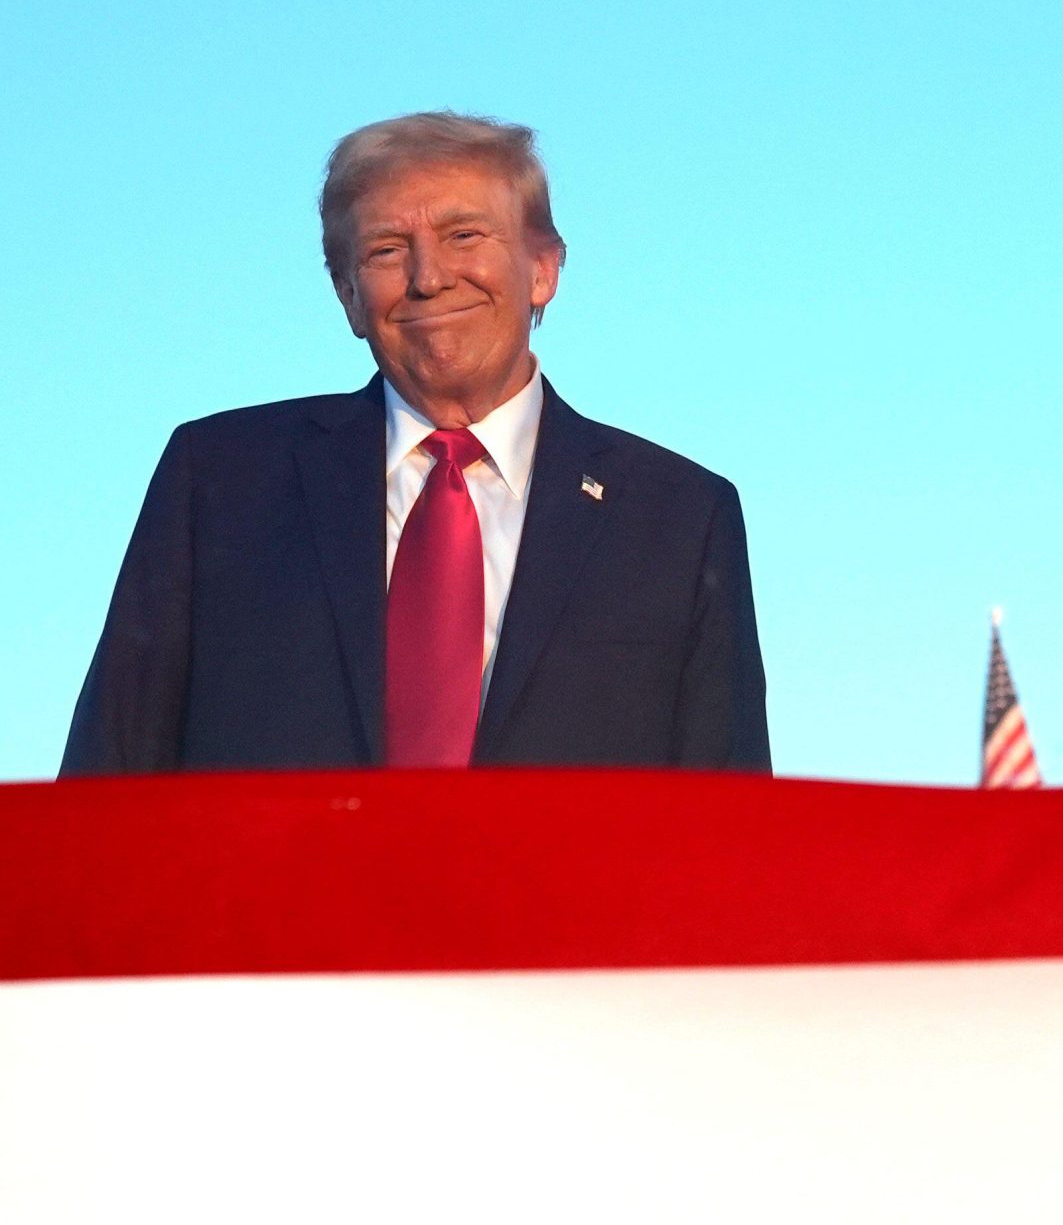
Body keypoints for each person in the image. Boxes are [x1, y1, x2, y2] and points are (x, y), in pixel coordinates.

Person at [62, 113, 771, 774]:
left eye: (465, 235)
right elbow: (109, 770)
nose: (429, 278)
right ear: (347, 296)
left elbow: (727, 822)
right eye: (386, 249)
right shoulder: (218, 482)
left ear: (544, 269)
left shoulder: (679, 518)